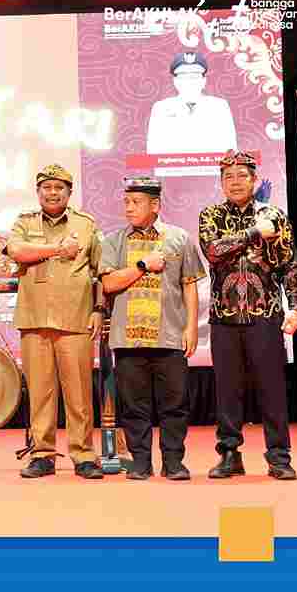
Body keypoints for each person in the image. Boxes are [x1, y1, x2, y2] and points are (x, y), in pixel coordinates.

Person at [199, 150, 297, 480]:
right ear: (221, 183)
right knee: (228, 390)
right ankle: (229, 454)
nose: (235, 182)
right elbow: (213, 251)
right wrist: (254, 233)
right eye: (228, 177)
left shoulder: (275, 215)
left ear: (254, 180)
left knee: (272, 389)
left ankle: (279, 457)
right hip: (224, 316)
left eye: (242, 176)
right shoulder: (211, 215)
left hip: (265, 315)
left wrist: (295, 307)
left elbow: (289, 266)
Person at [99, 177, 206, 480]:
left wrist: (191, 327)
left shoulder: (179, 238)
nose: (129, 208)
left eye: (136, 202)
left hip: (169, 336)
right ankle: (141, 462)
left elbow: (189, 285)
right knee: (134, 406)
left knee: (175, 404)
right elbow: (108, 283)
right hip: (128, 338)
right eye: (126, 202)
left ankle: (173, 462)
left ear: (155, 205)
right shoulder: (114, 241)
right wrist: (143, 265)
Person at [4, 164, 105, 480]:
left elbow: (101, 271)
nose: (52, 193)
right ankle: (42, 455)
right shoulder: (24, 222)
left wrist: (99, 309)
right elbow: (16, 251)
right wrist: (57, 249)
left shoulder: (86, 224)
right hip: (34, 319)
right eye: (46, 187)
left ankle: (83, 454)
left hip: (75, 319)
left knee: (79, 394)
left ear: (69, 192)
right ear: (38, 193)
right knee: (40, 393)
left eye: (59, 188)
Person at [146, 52, 237, 155]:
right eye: (183, 76)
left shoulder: (219, 107)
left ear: (204, 81)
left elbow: (230, 149)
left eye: (194, 76)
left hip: (212, 164)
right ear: (175, 81)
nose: (189, 81)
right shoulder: (161, 108)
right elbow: (153, 150)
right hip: (171, 164)